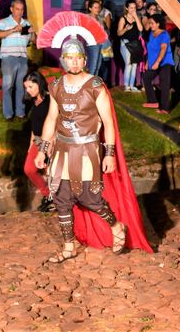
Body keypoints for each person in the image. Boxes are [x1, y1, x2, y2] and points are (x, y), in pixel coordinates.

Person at [34, 39, 152, 262]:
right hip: (61, 148)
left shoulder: (95, 85)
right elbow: (51, 118)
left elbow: (107, 122)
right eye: (70, 57)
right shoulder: (56, 85)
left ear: (85, 60)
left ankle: (117, 227)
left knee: (89, 197)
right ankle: (69, 246)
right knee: (61, 197)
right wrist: (43, 149)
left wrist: (109, 153)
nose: (74, 61)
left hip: (86, 149)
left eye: (78, 57)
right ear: (63, 60)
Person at [0, 0, 34, 121]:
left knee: (21, 86)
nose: (20, 12)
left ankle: (20, 113)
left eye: (22, 9)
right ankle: (8, 114)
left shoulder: (26, 23)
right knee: (7, 86)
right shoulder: (4, 22)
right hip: (8, 57)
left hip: (22, 57)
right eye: (17, 9)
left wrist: (33, 33)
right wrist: (13, 30)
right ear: (12, 9)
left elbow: (33, 40)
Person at [22, 71, 53, 212]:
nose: (28, 90)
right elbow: (34, 125)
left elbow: (54, 122)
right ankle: (48, 194)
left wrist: (50, 143)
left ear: (38, 83)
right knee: (29, 169)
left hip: (50, 140)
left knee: (51, 171)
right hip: (37, 140)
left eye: (30, 87)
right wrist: (31, 144)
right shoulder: (33, 101)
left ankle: (55, 199)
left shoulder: (49, 100)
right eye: (26, 88)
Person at [142, 14, 173, 113]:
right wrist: (147, 62)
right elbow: (150, 50)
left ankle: (165, 108)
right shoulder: (152, 34)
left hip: (164, 62)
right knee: (146, 77)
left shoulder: (164, 35)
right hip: (154, 61)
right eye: (149, 23)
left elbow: (163, 49)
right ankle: (153, 101)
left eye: (152, 23)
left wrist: (158, 62)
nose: (150, 25)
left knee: (164, 85)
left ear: (158, 24)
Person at [117, 0, 144, 92]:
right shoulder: (123, 19)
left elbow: (141, 29)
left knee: (134, 65)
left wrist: (136, 17)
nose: (133, 9)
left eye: (134, 8)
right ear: (127, 8)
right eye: (131, 7)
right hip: (125, 43)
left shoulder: (137, 17)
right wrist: (125, 29)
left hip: (135, 44)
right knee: (128, 63)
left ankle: (132, 86)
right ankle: (126, 86)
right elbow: (119, 33)